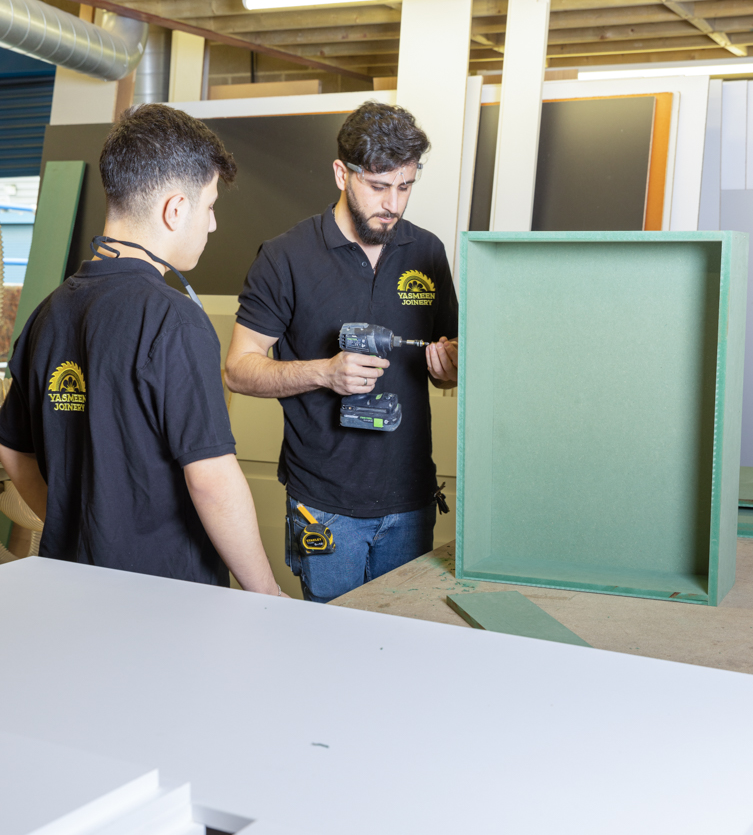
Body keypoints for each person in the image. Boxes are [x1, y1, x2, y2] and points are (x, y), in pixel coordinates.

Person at [0, 104, 282, 596]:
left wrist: (78, 528)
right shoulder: (174, 320)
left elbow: (11, 450)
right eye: (210, 205)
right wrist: (267, 594)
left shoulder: (45, 314)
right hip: (167, 599)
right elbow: (212, 479)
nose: (212, 225)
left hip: (71, 585)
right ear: (175, 209)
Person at [225, 101, 458, 603]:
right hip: (324, 505)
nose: (393, 203)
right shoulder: (285, 256)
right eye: (377, 186)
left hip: (410, 501)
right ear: (341, 173)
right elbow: (238, 370)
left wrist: (450, 368)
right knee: (327, 654)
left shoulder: (428, 253)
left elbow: (444, 370)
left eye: (406, 185)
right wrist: (324, 373)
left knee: (403, 648)